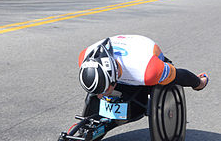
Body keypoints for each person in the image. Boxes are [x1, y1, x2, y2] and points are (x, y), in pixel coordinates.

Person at [78, 35, 208, 100]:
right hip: (120, 44)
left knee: (171, 77)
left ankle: (199, 82)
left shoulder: (149, 71)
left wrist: (197, 83)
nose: (100, 97)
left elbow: (180, 75)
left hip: (142, 48)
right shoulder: (85, 57)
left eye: (103, 91)